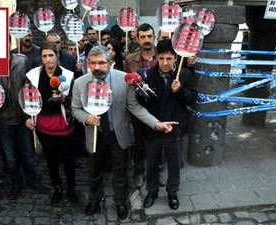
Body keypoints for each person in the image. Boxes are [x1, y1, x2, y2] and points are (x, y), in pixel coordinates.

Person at [71, 46, 177, 220]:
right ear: (88, 64)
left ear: (111, 63)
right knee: (94, 171)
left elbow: (135, 107)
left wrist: (156, 123)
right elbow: (75, 109)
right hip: (95, 134)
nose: (97, 67)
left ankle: (121, 202)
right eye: (93, 63)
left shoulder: (123, 80)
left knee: (121, 172)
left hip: (118, 134)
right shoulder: (80, 83)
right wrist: (86, 117)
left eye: (102, 63)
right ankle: (94, 199)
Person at [0, 36, 48, 200]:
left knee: (28, 154)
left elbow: (31, 88)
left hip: (23, 118)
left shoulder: (22, 61)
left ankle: (32, 179)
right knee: (10, 157)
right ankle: (16, 183)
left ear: (9, 44)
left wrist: (31, 114)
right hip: (3, 120)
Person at [138, 39, 197, 210]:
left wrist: (180, 91)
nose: (165, 63)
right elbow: (144, 105)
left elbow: (192, 98)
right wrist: (142, 94)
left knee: (174, 164)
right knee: (152, 163)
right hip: (154, 128)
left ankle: (172, 192)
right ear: (156, 56)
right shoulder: (148, 74)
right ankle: (152, 191)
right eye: (161, 58)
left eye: (169, 59)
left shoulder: (184, 74)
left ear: (175, 58)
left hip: (175, 128)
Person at [25, 41, 77, 205]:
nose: (48, 59)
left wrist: (64, 98)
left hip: (64, 125)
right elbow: (27, 98)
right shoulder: (33, 75)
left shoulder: (67, 75)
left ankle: (71, 188)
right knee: (50, 159)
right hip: (43, 126)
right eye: (44, 56)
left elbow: (74, 103)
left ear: (57, 55)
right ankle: (57, 187)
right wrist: (27, 116)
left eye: (51, 55)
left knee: (68, 159)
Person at [124, 23, 158, 189]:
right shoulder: (130, 59)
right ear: (137, 39)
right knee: (139, 142)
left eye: (149, 36)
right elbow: (126, 82)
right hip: (138, 108)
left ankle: (158, 169)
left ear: (154, 37)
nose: (146, 40)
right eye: (142, 37)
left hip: (159, 106)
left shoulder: (164, 57)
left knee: (160, 140)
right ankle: (139, 172)